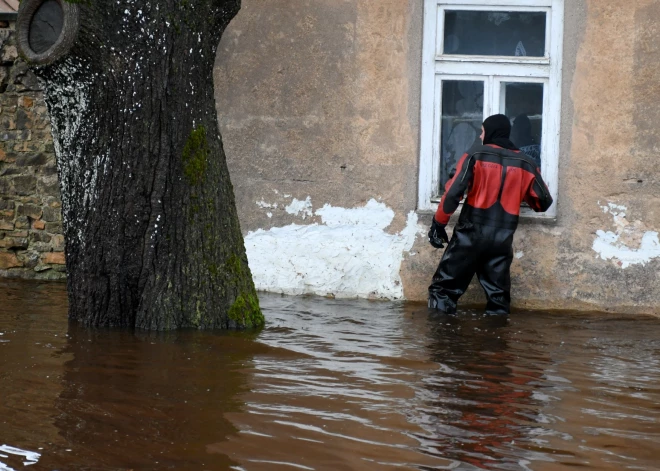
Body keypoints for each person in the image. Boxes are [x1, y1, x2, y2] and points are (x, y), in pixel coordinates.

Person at [427, 114, 553, 315]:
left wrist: (438, 224)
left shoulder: (475, 155)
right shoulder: (525, 163)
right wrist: (518, 191)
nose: (480, 135)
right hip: (502, 238)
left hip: (470, 233)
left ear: (490, 132)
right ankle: (496, 342)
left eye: (482, 131)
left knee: (443, 291)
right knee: (498, 299)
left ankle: (442, 343)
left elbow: (452, 193)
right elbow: (543, 202)